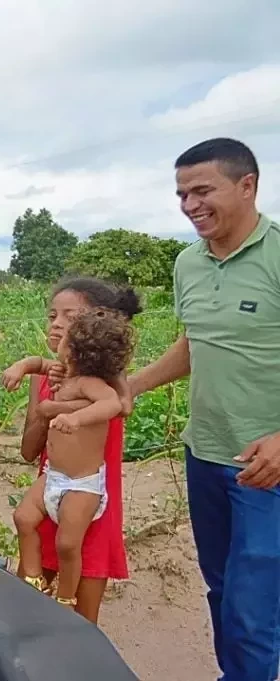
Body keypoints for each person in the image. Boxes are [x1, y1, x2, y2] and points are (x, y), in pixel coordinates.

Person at [128, 138, 280, 681]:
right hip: (206, 452)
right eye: (181, 194)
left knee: (251, 604)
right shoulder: (188, 262)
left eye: (202, 190)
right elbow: (194, 344)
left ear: (247, 185)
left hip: (267, 466)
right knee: (219, 587)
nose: (190, 205)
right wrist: (131, 387)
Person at [0, 277, 139, 623]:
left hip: (91, 509)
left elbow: (122, 405)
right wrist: (46, 405)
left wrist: (59, 408)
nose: (57, 324)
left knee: (82, 618)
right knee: (28, 613)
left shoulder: (107, 382)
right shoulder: (45, 378)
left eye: (71, 318)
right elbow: (29, 451)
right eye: (52, 317)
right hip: (49, 495)